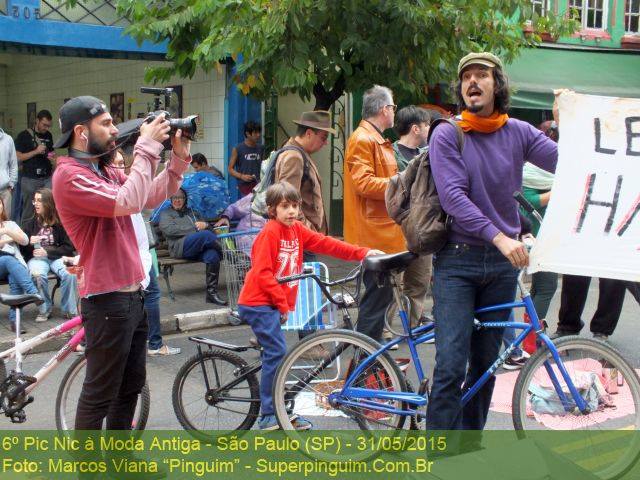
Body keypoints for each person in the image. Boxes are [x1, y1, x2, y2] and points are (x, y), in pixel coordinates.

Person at [426, 52, 557, 433]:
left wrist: (569, 121)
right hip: (458, 261)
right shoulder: (448, 133)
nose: (473, 81)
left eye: (482, 74)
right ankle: (438, 452)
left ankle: (470, 445)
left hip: (502, 265)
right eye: (466, 76)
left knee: (486, 365)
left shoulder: (518, 131)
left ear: (497, 85)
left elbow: (568, 162)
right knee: (451, 365)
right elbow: (453, 198)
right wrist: (500, 237)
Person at [51, 96, 190, 430]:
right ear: (81, 132)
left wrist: (177, 158)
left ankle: (119, 455)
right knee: (100, 393)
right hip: (107, 299)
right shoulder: (69, 175)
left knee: (129, 387)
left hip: (132, 294)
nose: (114, 130)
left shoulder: (103, 170)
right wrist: (146, 146)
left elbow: (147, 195)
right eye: (106, 124)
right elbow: (128, 201)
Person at [237, 182, 382, 430]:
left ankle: (281, 408)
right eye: (285, 206)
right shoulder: (270, 233)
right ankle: (270, 414)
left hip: (271, 302)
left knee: (276, 354)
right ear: (272, 210)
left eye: (295, 205)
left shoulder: (296, 230)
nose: (292, 211)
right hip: (257, 302)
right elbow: (262, 273)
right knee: (277, 352)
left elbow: (326, 243)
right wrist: (282, 305)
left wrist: (364, 253)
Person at [344, 85, 405, 344]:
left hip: (381, 232)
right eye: (393, 107)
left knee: (379, 300)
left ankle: (369, 357)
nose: (394, 112)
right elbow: (364, 184)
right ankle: (366, 358)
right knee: (375, 301)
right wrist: (401, 183)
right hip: (374, 235)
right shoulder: (363, 139)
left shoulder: (372, 138)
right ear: (384, 109)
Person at [113, 150, 180, 356]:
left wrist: (173, 168)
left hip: (141, 251)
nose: (120, 167)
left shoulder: (128, 186)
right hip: (132, 254)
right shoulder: (124, 190)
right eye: (115, 163)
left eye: (122, 163)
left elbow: (153, 197)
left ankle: (144, 343)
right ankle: (154, 343)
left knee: (143, 296)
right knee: (148, 295)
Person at [388, 105, 433, 338]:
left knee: (419, 280)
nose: (429, 129)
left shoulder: (428, 154)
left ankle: (413, 327)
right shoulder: (390, 154)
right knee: (391, 281)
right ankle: (385, 330)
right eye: (427, 125)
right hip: (397, 227)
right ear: (416, 128)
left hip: (423, 226)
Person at [158, 187, 226, 305]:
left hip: (198, 248)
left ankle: (211, 294)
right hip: (180, 248)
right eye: (174, 197)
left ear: (185, 199)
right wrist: (195, 228)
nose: (177, 200)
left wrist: (205, 225)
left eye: (180, 197)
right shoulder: (165, 214)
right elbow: (170, 230)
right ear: (170, 199)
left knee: (213, 256)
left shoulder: (193, 213)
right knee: (205, 235)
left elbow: (210, 230)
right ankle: (229, 254)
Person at [21, 188, 77, 322]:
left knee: (70, 273)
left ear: (48, 203)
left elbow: (70, 247)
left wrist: (48, 252)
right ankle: (45, 309)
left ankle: (69, 310)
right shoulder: (29, 224)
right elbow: (23, 252)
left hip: (58, 257)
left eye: (39, 200)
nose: (35, 203)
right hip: (37, 259)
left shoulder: (61, 223)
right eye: (34, 200)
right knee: (38, 275)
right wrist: (28, 243)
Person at [0, 196, 39, 333]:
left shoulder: (10, 224)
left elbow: (25, 240)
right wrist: (8, 239)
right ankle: (33, 291)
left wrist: (7, 231)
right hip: (5, 262)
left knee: (15, 277)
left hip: (12, 265)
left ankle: (14, 321)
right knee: (8, 260)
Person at [14, 110, 55, 224]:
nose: (46, 128)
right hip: (30, 179)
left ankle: (45, 231)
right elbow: (18, 157)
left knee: (47, 207)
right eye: (44, 125)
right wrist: (36, 151)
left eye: (48, 126)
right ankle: (26, 233)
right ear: (37, 121)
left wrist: (54, 158)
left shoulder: (48, 135)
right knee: (29, 209)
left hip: (47, 178)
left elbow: (51, 152)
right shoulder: (24, 136)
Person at [228, 121, 264, 197]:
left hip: (259, 186)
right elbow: (230, 169)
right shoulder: (238, 149)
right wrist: (242, 176)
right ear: (247, 134)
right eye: (255, 133)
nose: (258, 135)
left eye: (259, 132)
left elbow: (264, 166)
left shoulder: (261, 148)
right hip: (245, 187)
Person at [0, 126, 18, 215]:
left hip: (4, 191)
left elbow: (13, 164)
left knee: (5, 221)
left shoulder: (8, 139)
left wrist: (11, 184)